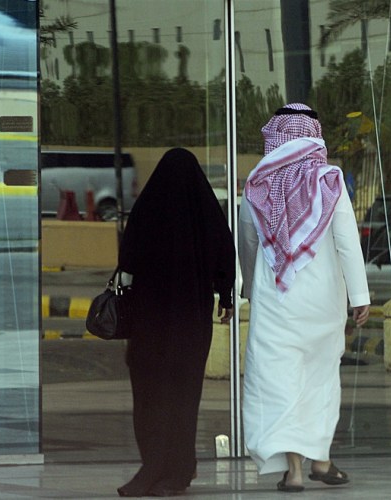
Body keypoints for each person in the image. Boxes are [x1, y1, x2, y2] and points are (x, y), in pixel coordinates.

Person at [239, 103, 370, 492]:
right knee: (320, 379)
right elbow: (347, 241)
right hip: (323, 300)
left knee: (280, 382)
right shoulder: (329, 180)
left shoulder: (258, 182)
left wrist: (249, 287)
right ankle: (323, 461)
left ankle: (295, 471)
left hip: (276, 300)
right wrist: (359, 294)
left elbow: (247, 242)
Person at [116, 148, 236, 497]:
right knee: (183, 397)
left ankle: (153, 468)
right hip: (191, 323)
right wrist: (225, 298)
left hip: (149, 322)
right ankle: (176, 472)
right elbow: (224, 256)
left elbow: (129, 258)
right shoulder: (206, 213)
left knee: (151, 395)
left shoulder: (148, 208)